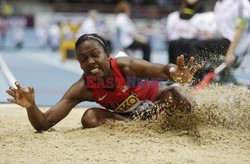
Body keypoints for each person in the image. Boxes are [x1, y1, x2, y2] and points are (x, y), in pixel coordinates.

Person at [6, 33, 201, 131]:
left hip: (159, 103)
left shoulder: (126, 66)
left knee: (175, 97)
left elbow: (161, 70)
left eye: (95, 55)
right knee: (89, 118)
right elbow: (45, 123)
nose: (90, 62)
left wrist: (175, 72)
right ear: (79, 63)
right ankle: (135, 125)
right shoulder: (84, 88)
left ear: (107, 55)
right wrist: (31, 106)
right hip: (130, 118)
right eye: (83, 58)